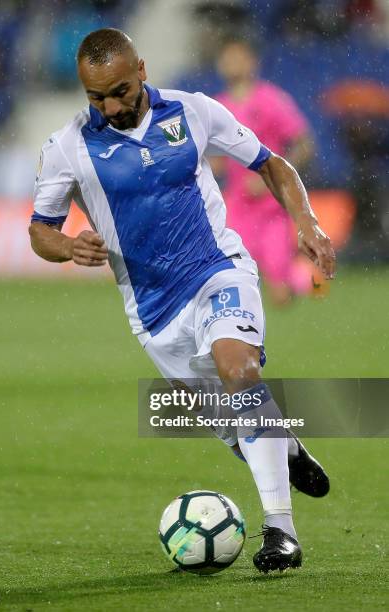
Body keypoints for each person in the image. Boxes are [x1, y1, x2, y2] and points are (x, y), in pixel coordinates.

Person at [29, 28, 335, 573]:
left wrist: (306, 222)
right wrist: (67, 245)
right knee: (235, 428)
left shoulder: (194, 111)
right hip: (154, 314)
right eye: (95, 97)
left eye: (120, 90)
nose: (110, 106)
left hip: (218, 271)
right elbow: (39, 230)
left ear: (141, 70)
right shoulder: (67, 148)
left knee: (239, 372)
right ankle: (283, 447)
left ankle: (281, 531)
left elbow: (272, 163)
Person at [213, 38, 315, 305]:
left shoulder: (271, 100)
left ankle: (303, 278)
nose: (232, 64)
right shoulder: (215, 107)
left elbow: (304, 144)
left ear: (252, 62)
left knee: (280, 297)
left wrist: (274, 174)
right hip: (236, 206)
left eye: (238, 57)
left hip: (271, 208)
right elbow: (215, 158)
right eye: (228, 58)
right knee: (232, 281)